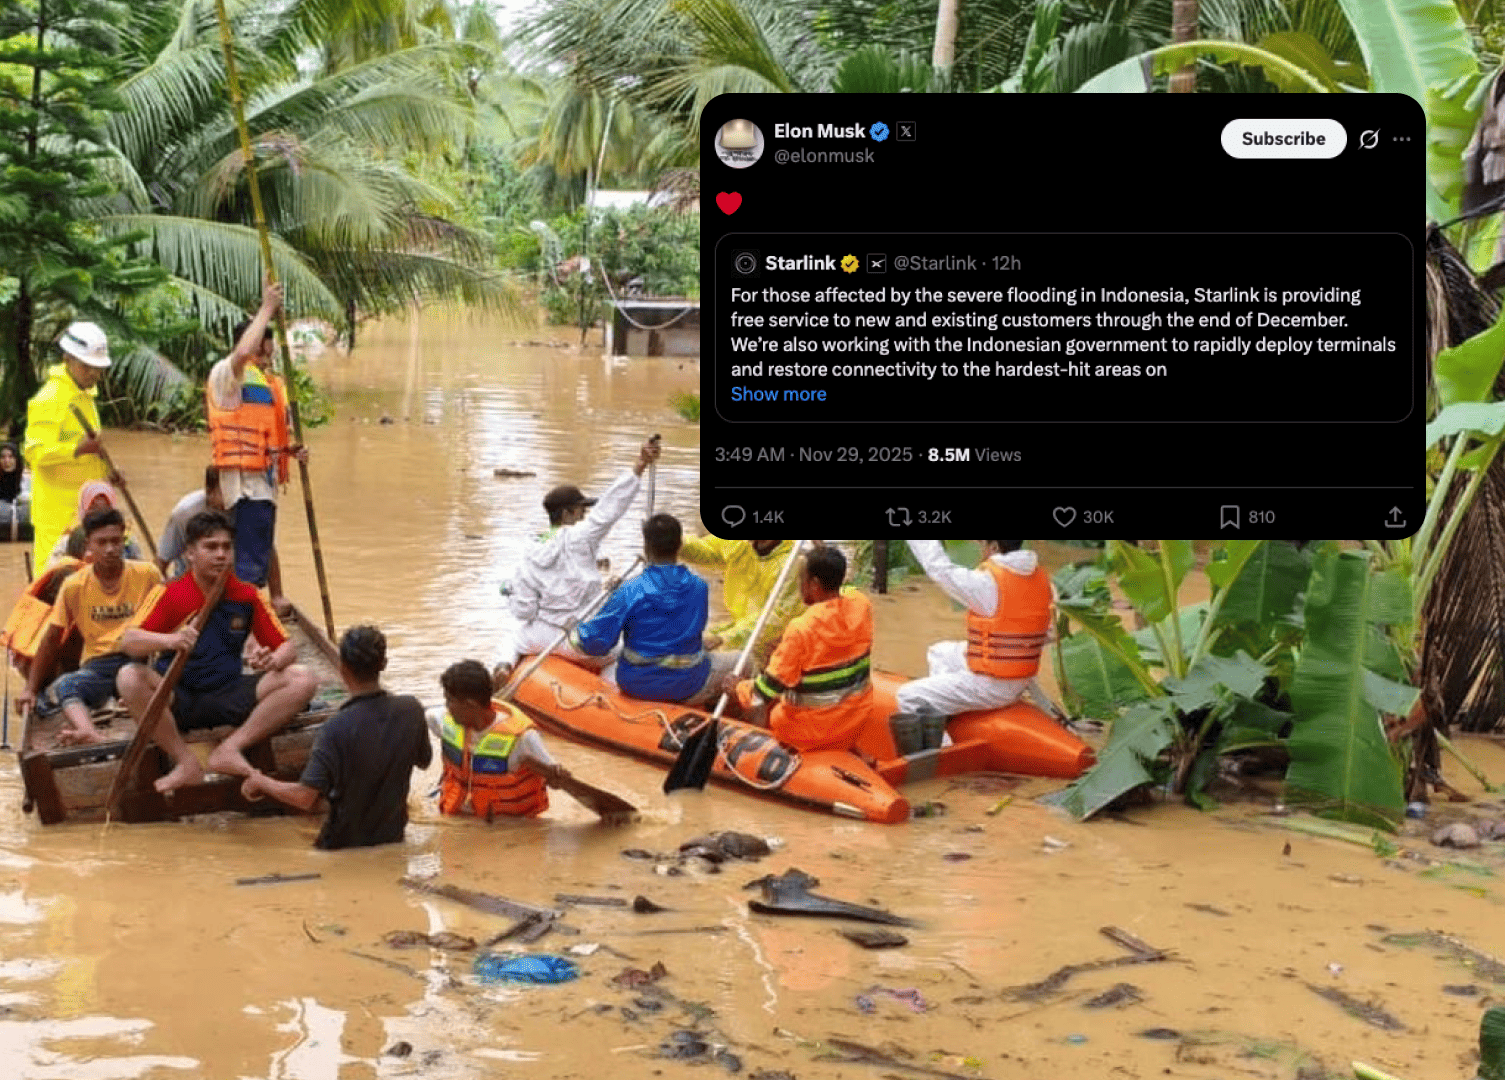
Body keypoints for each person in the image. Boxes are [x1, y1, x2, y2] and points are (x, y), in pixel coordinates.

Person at [116, 509, 318, 794]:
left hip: (227, 691)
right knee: (128, 677)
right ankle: (185, 762)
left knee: (302, 678)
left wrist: (273, 659)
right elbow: (128, 640)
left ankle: (229, 749)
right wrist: (170, 641)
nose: (221, 555)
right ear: (190, 554)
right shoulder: (171, 593)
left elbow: (286, 646)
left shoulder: (246, 595)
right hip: (177, 694)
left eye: (226, 547)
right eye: (210, 547)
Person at [240, 626, 432, 849]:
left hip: (340, 847)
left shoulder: (334, 728)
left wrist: (260, 781)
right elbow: (424, 761)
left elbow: (304, 798)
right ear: (383, 664)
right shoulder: (411, 710)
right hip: (393, 839)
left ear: (342, 669)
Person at [495, 437, 661, 683]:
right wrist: (639, 465)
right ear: (567, 513)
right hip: (579, 639)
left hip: (542, 636)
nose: (585, 516)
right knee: (621, 654)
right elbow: (610, 509)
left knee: (513, 638)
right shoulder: (580, 538)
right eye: (581, 511)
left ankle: (503, 666)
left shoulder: (529, 549)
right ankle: (605, 690)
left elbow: (524, 609)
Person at [17, 507, 163, 745]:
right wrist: (30, 689)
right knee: (65, 686)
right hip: (98, 667)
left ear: (123, 540)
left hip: (138, 661)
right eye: (102, 542)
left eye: (116, 541)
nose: (109, 549)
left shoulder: (147, 574)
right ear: (88, 545)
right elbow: (52, 638)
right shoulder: (74, 585)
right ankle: (88, 731)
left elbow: (168, 621)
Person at [571, 513, 735, 705]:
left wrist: (575, 632)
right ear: (680, 545)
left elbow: (594, 642)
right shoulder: (700, 587)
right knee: (745, 660)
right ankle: (740, 716)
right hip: (689, 683)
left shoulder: (631, 589)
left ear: (646, 547)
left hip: (637, 684)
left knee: (616, 653)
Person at [205, 281, 305, 597]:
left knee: (252, 565)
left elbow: (272, 439)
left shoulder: (269, 385)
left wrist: (293, 452)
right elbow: (243, 352)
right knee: (246, 574)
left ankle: (250, 622)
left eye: (269, 356)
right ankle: (244, 638)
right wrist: (267, 308)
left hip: (263, 488)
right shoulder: (227, 375)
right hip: (245, 490)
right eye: (262, 354)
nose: (264, 362)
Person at [723, 545, 874, 754]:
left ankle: (762, 748)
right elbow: (844, 587)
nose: (799, 585)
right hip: (854, 722)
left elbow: (762, 694)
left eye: (802, 579)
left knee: (763, 705)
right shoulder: (861, 605)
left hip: (809, 732)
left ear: (814, 584)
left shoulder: (801, 628)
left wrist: (739, 687)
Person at [893, 540, 1055, 718]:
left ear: (994, 547)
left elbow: (939, 569)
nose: (980, 551)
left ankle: (943, 744)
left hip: (994, 687)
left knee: (908, 696)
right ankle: (946, 715)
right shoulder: (1042, 580)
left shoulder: (987, 583)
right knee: (939, 653)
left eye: (982, 545)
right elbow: (1052, 632)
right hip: (1022, 679)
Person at [431, 659, 571, 819]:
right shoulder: (441, 719)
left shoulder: (524, 738)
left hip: (508, 827)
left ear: (471, 704)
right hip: (458, 819)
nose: (446, 706)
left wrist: (557, 775)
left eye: (450, 701)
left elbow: (554, 778)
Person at [24, 321, 111, 577]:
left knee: (83, 583)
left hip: (84, 512)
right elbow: (35, 453)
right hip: (56, 514)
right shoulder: (50, 399)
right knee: (52, 582)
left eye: (97, 368)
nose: (93, 374)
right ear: (67, 359)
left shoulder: (86, 397)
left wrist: (107, 476)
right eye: (87, 366)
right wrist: (76, 449)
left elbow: (92, 451)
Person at [678, 536, 803, 670]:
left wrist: (723, 638)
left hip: (769, 645)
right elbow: (707, 551)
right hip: (738, 632)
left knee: (700, 667)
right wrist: (675, 541)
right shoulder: (740, 543)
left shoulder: (793, 561)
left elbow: (775, 620)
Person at [45, 480, 145, 568]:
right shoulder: (68, 542)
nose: (99, 514)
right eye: (93, 509)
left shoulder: (127, 542)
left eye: (105, 508)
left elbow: (139, 571)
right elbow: (53, 572)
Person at [156, 466, 227, 580]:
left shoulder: (245, 508)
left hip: (230, 581)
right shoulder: (185, 513)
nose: (234, 497)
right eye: (227, 491)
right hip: (190, 580)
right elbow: (162, 561)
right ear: (209, 491)